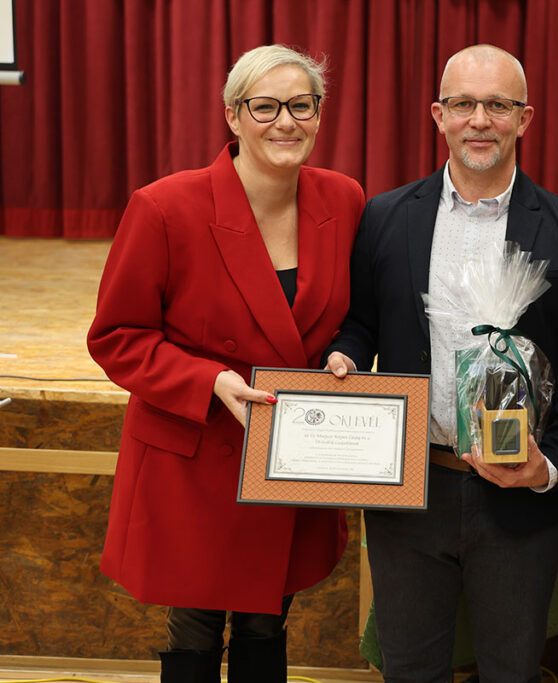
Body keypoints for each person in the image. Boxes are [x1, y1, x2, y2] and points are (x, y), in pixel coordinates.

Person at [323, 44, 558, 682]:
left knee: (510, 672)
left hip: (520, 502)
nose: (480, 120)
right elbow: (362, 323)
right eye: (463, 104)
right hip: (411, 488)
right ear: (439, 115)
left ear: (524, 119)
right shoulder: (386, 217)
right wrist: (345, 353)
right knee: (410, 672)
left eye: (498, 106)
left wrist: (548, 467)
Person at [87, 44, 364, 683]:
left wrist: (348, 349)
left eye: (301, 105)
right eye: (264, 107)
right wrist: (209, 379)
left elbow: (358, 312)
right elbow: (117, 336)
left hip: (290, 454)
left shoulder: (344, 199)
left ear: (320, 115)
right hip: (197, 455)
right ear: (233, 116)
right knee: (195, 627)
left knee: (268, 621)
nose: (285, 122)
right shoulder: (164, 207)